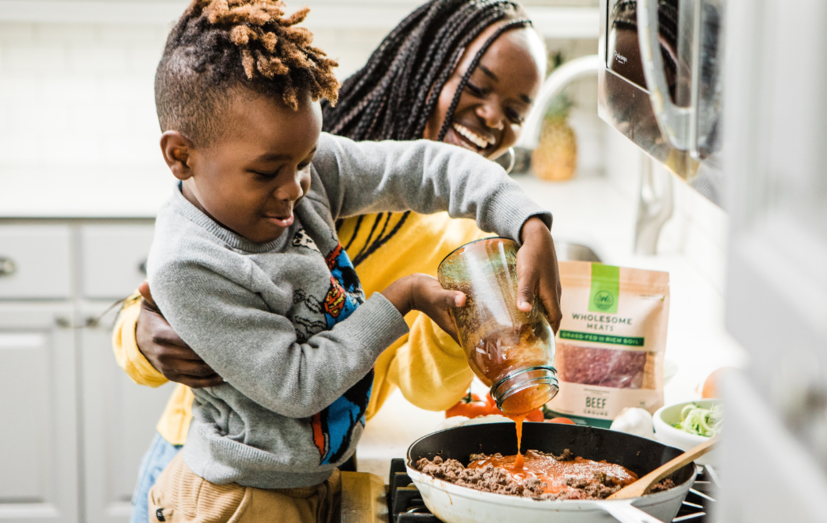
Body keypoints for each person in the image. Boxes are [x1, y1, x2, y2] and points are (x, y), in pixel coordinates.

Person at [114, 0, 548, 520]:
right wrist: (138, 337)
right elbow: (295, 384)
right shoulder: (258, 148)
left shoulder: (298, 157)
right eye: (477, 88)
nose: (296, 188)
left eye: (518, 110)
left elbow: (425, 168)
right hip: (235, 490)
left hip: (315, 471)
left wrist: (526, 219)